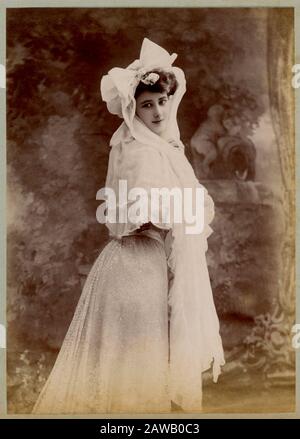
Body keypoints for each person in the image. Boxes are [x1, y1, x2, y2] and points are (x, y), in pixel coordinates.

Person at [32, 38, 224, 415]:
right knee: (133, 361)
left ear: (171, 101)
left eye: (161, 102)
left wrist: (191, 208)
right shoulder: (136, 149)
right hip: (132, 265)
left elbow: (182, 207)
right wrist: (190, 209)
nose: (156, 111)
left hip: (147, 264)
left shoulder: (163, 148)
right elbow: (144, 213)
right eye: (146, 104)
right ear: (133, 109)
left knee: (139, 360)